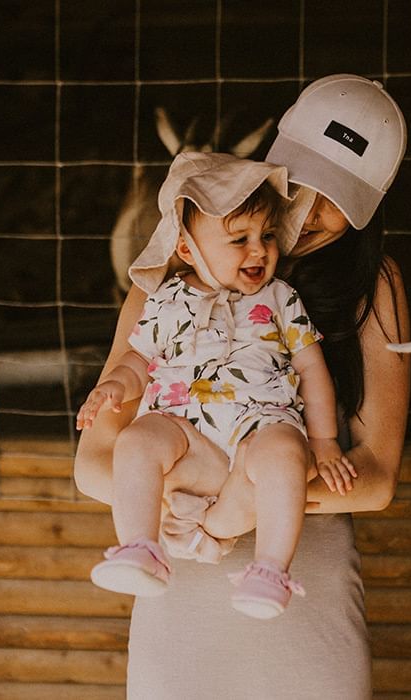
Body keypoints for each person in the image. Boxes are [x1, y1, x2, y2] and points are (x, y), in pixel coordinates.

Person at [73, 74, 410, 699]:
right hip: (175, 570)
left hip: (299, 574)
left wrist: (237, 506)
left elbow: (378, 479)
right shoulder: (172, 270)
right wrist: (210, 505)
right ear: (272, 165)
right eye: (301, 183)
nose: (311, 212)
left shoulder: (373, 283)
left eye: (337, 199)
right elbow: (96, 463)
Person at [76, 152, 357, 620]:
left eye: (267, 236)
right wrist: (112, 388)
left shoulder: (281, 298)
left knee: (287, 454)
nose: (259, 250)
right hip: (185, 433)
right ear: (187, 249)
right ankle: (141, 548)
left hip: (261, 427)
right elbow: (137, 359)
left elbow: (312, 370)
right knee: (137, 440)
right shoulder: (167, 298)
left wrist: (324, 442)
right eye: (239, 239)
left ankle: (269, 571)